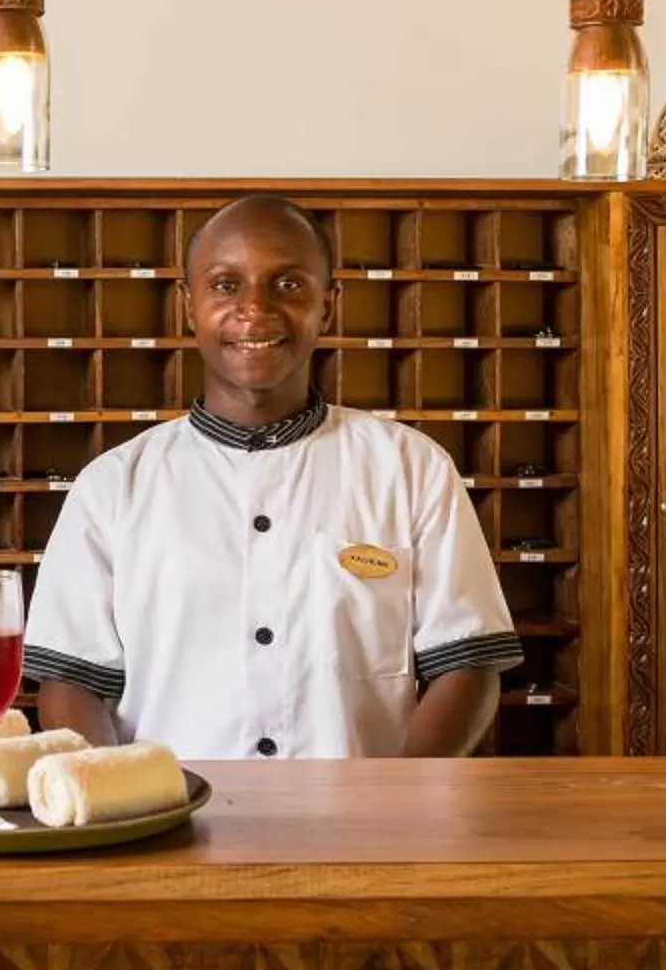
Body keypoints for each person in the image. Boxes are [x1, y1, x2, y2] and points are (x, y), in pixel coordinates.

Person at [26, 194, 521, 759]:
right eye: (225, 284)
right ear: (188, 306)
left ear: (328, 306)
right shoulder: (113, 487)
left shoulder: (412, 469)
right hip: (170, 825)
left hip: (359, 833)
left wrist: (396, 804)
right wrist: (121, 800)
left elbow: (469, 665)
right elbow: (70, 683)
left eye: (287, 284)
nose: (254, 309)